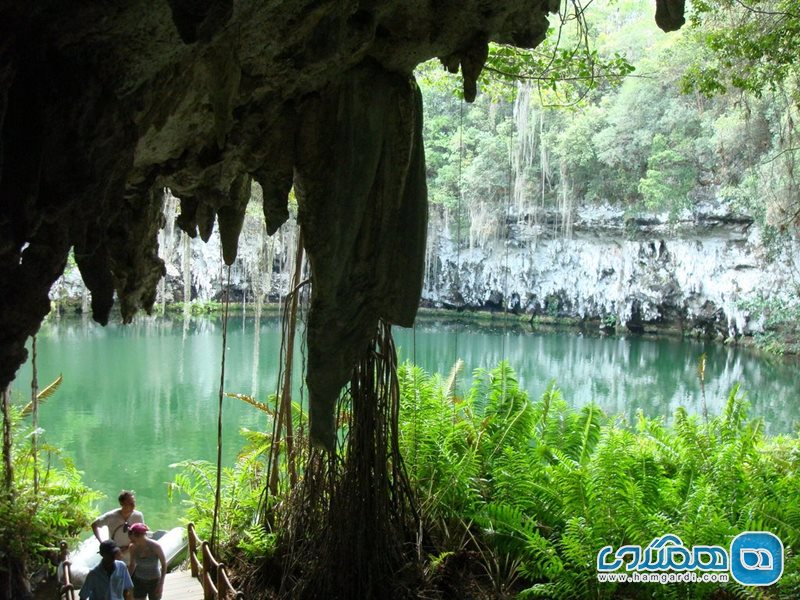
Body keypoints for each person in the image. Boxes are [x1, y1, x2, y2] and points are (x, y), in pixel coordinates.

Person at [91, 490, 144, 565]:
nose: (133, 505)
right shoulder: (111, 516)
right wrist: (102, 543)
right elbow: (94, 525)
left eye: (134, 502)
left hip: (131, 553)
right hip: (115, 554)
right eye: (130, 503)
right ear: (122, 504)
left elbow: (141, 534)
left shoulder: (138, 516)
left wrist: (128, 548)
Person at [128, 523, 167, 600]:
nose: (130, 540)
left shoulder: (156, 547)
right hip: (138, 580)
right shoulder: (132, 547)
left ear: (137, 535)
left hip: (154, 581)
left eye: (131, 537)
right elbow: (132, 564)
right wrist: (127, 580)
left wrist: (161, 584)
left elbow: (164, 564)